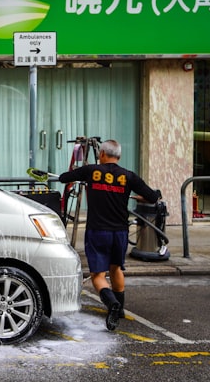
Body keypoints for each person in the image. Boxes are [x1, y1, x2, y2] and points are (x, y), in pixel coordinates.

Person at [43, 140, 161, 331]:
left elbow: (65, 178)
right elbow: (154, 197)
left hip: (98, 230)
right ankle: (120, 309)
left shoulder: (91, 171)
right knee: (116, 269)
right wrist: (140, 196)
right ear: (119, 156)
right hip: (120, 232)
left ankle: (111, 303)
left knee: (98, 275)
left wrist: (79, 176)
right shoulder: (129, 176)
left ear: (103, 154)